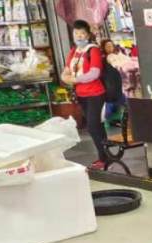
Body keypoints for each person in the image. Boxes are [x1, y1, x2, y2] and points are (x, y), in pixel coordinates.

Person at [62, 20, 108, 170]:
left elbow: (94, 73)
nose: (79, 36)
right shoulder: (74, 51)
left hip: (95, 93)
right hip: (81, 94)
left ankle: (103, 157)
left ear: (88, 34)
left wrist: (74, 79)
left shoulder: (92, 50)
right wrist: (66, 77)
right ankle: (105, 155)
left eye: (82, 33)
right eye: (76, 33)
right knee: (96, 126)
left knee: (93, 126)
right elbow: (66, 70)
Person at [100, 39, 127, 126]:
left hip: (118, 84)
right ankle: (109, 122)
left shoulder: (116, 56)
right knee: (110, 106)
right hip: (110, 87)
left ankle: (119, 121)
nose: (110, 48)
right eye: (107, 46)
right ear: (104, 48)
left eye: (111, 46)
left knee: (123, 104)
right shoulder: (106, 58)